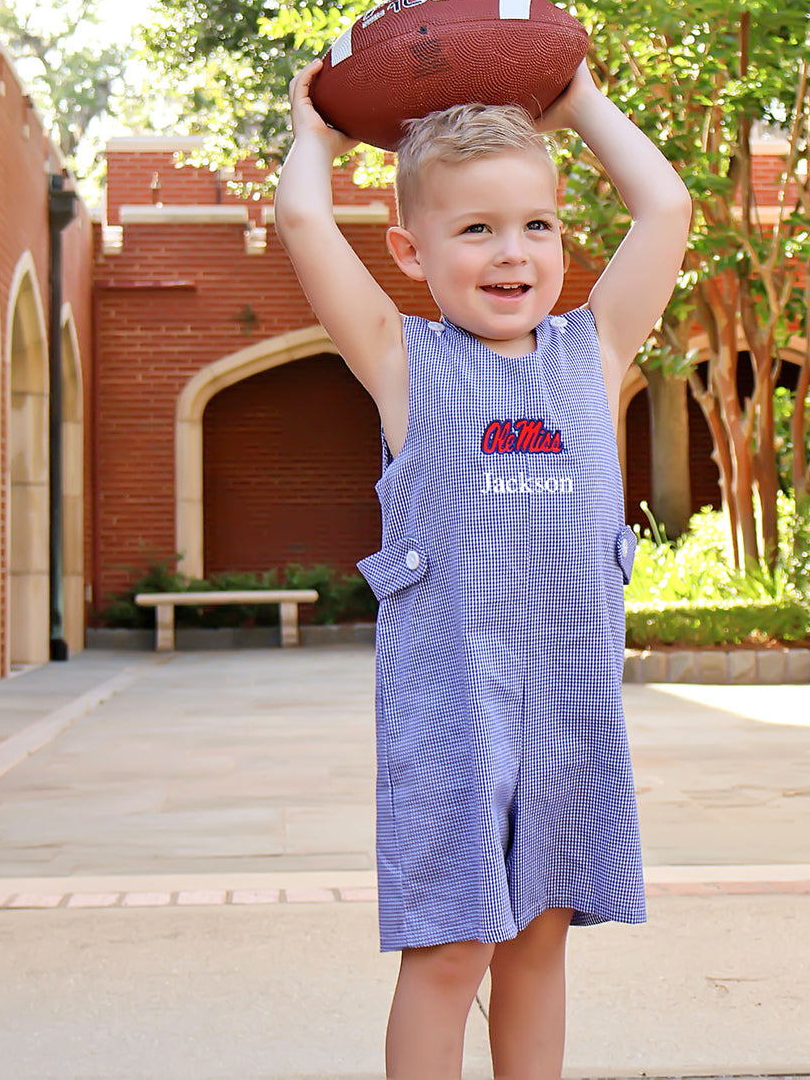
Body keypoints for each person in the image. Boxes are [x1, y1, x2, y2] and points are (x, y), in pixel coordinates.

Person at [274, 55, 692, 1080]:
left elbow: (666, 205)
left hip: (564, 706)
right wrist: (315, 135)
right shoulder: (401, 358)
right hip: (452, 711)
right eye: (475, 229)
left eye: (534, 225)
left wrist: (578, 101)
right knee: (453, 946)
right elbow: (302, 226)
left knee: (539, 940)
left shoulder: (591, 350)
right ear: (410, 251)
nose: (512, 254)